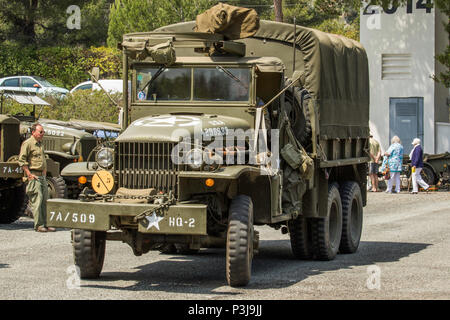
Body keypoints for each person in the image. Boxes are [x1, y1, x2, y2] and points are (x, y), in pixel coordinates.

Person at [18, 123, 54, 232]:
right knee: (37, 201)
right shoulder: (28, 143)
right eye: (40, 132)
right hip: (33, 176)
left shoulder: (40, 144)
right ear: (33, 132)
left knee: (45, 201)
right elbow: (22, 160)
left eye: (43, 132)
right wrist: (29, 174)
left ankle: (46, 224)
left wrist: (44, 172)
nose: (42, 134)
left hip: (42, 176)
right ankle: (39, 225)